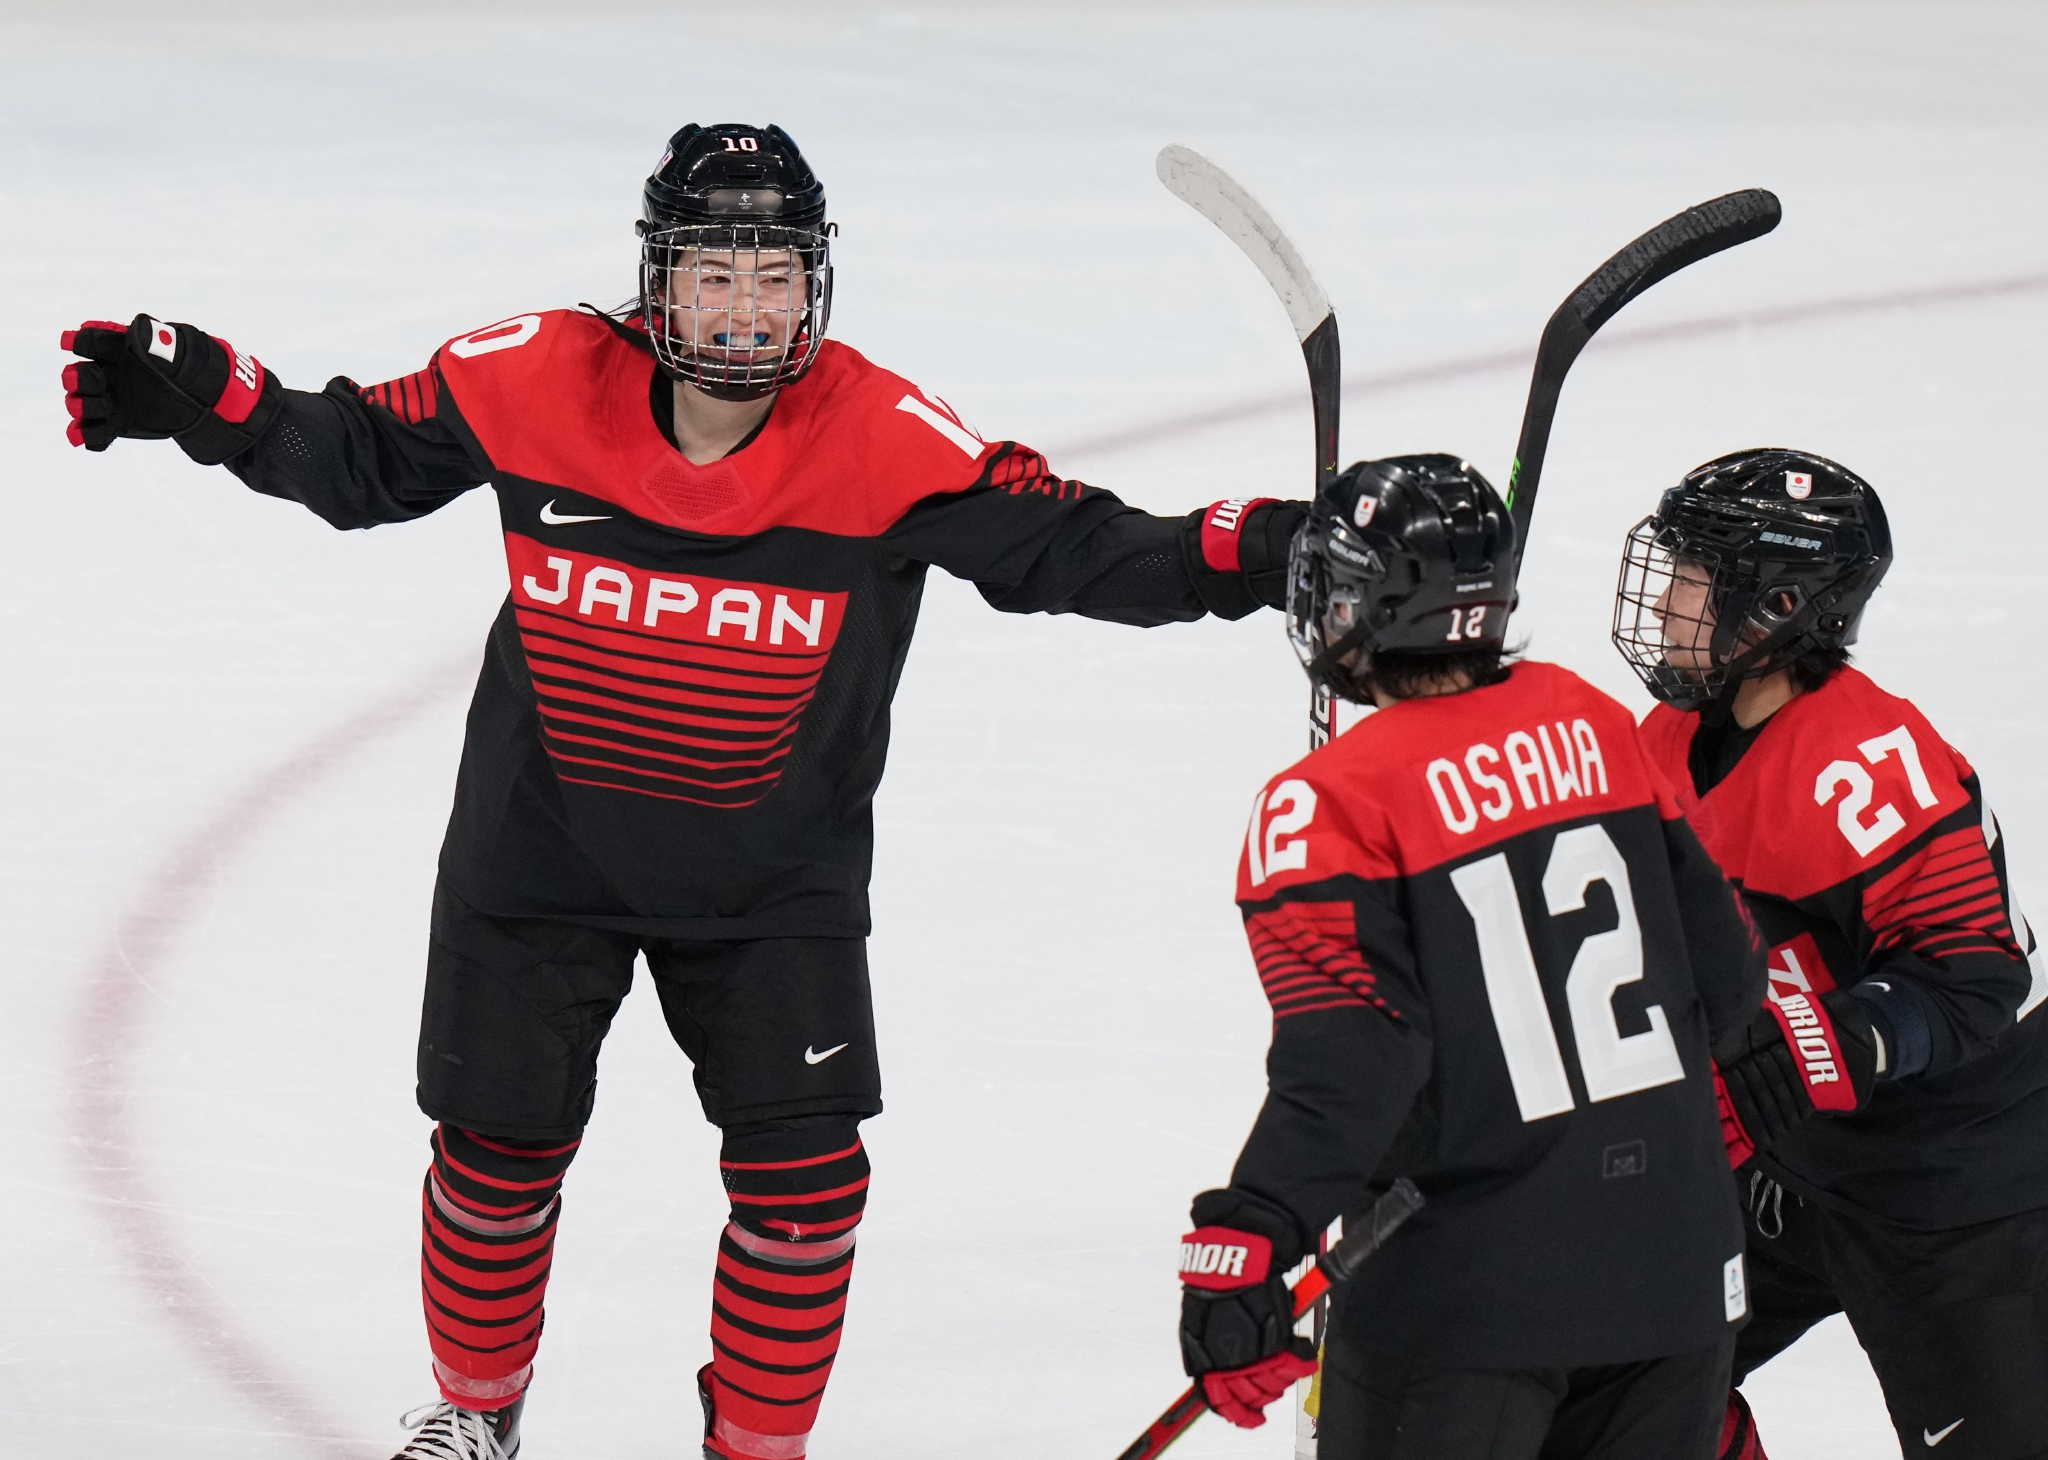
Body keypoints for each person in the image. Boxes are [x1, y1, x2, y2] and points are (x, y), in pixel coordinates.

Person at [59, 122, 1306, 1460]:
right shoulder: (536, 376)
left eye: (774, 276)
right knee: (493, 1163)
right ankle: (476, 1415)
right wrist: (222, 404)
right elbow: (360, 454)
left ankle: (754, 1451)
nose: (747, 308)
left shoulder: (883, 436)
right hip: (536, 866)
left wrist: (1268, 547)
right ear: (655, 283)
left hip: (772, 891)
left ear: (816, 285)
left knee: (809, 1193)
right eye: (715, 274)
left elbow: (1081, 548)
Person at [1173, 454, 1767, 1458]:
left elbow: (1351, 1064)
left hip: (1464, 1298)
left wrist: (1247, 1239)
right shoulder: (1589, 720)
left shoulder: (1323, 804)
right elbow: (1725, 978)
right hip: (1674, 1269)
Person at [1611, 448, 2048, 1460]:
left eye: (1689, 576)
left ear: (1774, 606)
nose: (1663, 600)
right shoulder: (1670, 734)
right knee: (1609, 1368)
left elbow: (1972, 973)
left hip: (1956, 1185)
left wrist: (1816, 1044)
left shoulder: (1858, 764)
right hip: (1796, 1159)